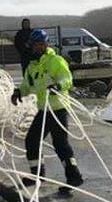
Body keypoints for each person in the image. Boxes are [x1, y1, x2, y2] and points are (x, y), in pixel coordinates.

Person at [11, 29, 83, 189]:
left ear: (46, 45)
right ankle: (37, 175)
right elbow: (27, 85)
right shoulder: (32, 67)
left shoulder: (55, 60)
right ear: (31, 46)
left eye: (42, 44)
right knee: (32, 140)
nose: (39, 47)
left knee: (60, 143)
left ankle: (74, 177)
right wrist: (18, 92)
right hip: (44, 110)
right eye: (36, 45)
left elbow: (67, 78)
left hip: (58, 109)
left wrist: (58, 85)